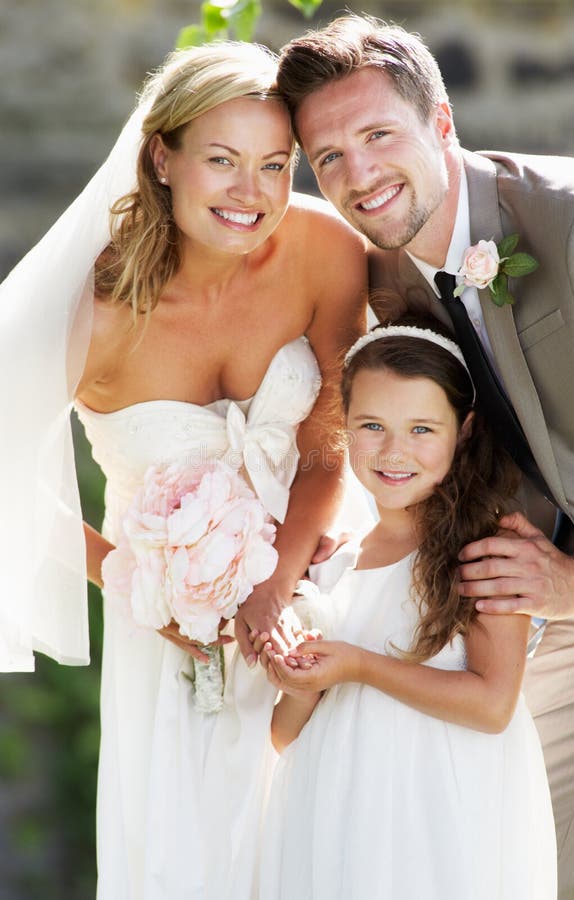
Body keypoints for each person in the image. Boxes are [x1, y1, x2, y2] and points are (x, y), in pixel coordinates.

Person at [0, 42, 368, 898]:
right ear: (163, 157)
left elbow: (328, 444)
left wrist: (276, 585)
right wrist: (143, 590)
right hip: (171, 645)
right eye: (223, 161)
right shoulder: (90, 308)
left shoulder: (322, 250)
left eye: (275, 165)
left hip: (314, 603)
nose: (253, 194)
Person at [276, 16, 574, 895]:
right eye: (329, 156)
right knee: (519, 853)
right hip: (545, 604)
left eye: (379, 134)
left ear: (443, 122)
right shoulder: (387, 274)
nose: (358, 173)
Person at [257, 320, 556, 899]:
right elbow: (284, 738)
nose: (394, 451)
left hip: (439, 818)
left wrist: (359, 666)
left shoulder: (485, 551)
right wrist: (297, 685)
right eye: (373, 426)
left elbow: (494, 704)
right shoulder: (336, 560)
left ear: (463, 432)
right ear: (343, 428)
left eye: (422, 429)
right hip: (337, 819)